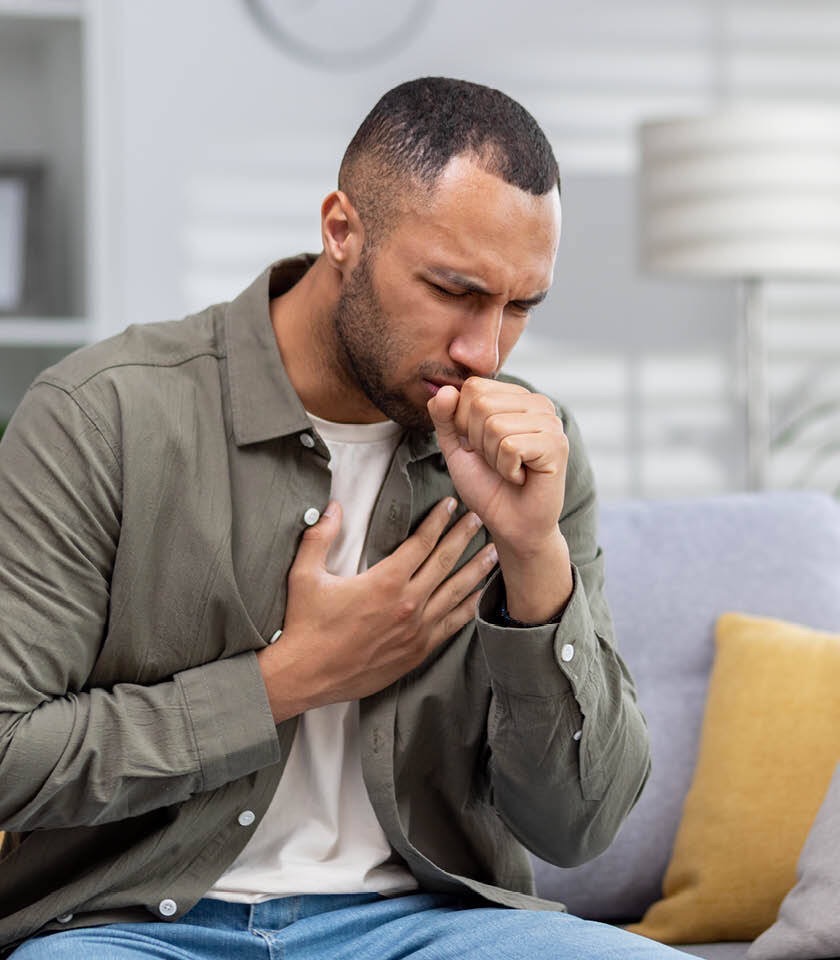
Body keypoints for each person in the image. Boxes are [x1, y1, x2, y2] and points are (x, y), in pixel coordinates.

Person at [0, 77, 688, 959]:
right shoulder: (104, 417)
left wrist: (533, 558)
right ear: (342, 231)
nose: (484, 350)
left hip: (427, 928)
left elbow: (579, 829)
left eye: (519, 307)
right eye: (453, 289)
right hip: (130, 929)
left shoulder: (534, 454)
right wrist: (289, 677)